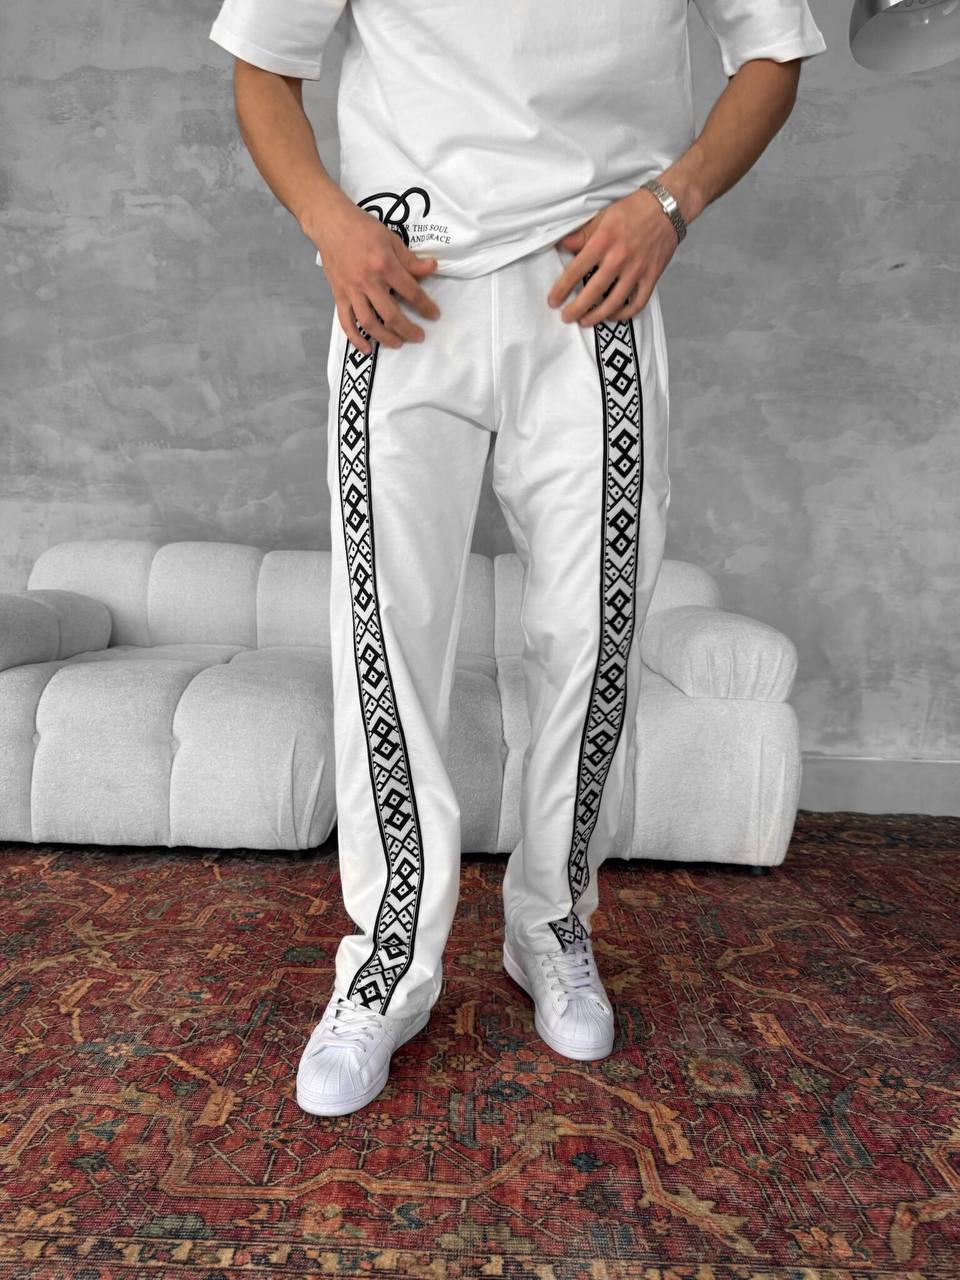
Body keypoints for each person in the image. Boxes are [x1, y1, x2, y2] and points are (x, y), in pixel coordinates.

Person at [208, 0, 827, 1117]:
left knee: (593, 636)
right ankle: (387, 963)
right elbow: (263, 62)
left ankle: (552, 922)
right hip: (401, 282)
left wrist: (671, 205)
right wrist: (330, 223)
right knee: (385, 639)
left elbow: (774, 49)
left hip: (591, 287)